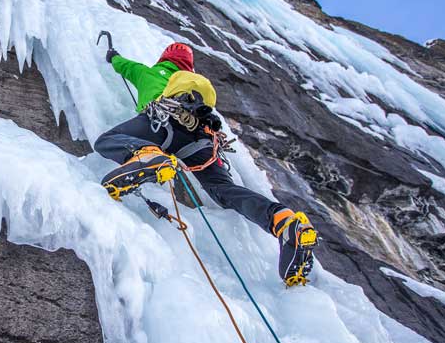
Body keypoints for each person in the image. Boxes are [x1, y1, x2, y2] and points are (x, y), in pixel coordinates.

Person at [94, 41, 319, 286]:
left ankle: (146, 155)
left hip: (162, 122)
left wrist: (113, 55)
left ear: (163, 59)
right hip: (201, 138)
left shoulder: (148, 72)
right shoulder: (196, 89)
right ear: (188, 67)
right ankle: (283, 222)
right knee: (223, 190)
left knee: (107, 141)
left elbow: (124, 66)